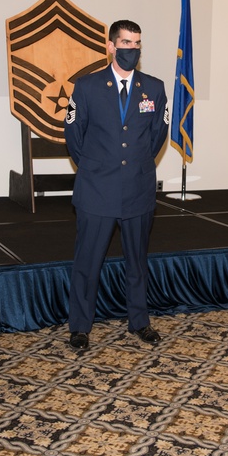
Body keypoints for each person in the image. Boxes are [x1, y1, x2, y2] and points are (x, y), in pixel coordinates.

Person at [63, 20, 169, 350]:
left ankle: (139, 321)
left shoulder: (154, 87)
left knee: (137, 262)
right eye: (125, 43)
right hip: (97, 189)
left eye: (136, 44)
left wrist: (133, 167)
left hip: (137, 189)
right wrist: (97, 167)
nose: (131, 50)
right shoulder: (87, 86)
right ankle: (80, 326)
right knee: (87, 263)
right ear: (110, 46)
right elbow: (73, 135)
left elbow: (157, 136)